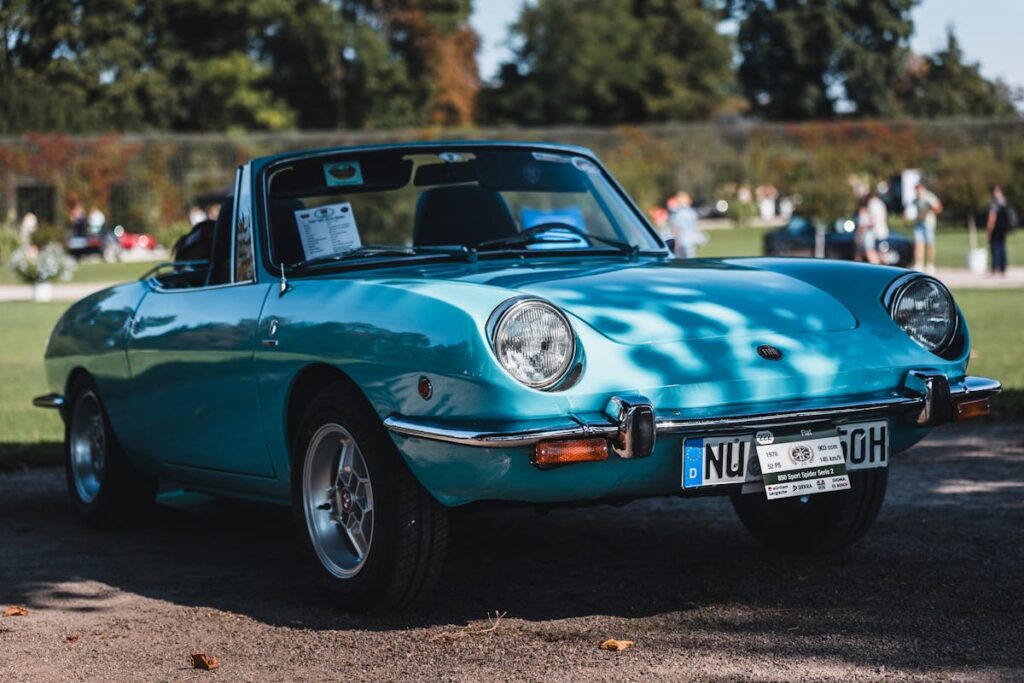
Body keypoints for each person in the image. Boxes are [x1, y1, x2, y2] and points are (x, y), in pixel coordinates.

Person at [911, 182, 942, 274]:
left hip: (929, 223)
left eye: (919, 188)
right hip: (919, 223)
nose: (917, 190)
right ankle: (919, 264)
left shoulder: (929, 197)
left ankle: (930, 264)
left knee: (929, 244)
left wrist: (928, 210)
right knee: (918, 244)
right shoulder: (916, 199)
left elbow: (938, 208)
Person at [986, 184, 1011, 276]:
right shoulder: (1004, 201)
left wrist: (989, 231)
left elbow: (992, 217)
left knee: (995, 248)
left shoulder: (995, 203)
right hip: (1003, 229)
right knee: (1002, 247)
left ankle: (995, 268)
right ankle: (1003, 268)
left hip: (996, 229)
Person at [668, 192, 703, 258]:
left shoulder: (678, 214)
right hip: (691, 241)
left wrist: (676, 244)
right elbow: (695, 227)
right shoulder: (692, 213)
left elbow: (677, 229)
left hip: (682, 241)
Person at [864, 191, 889, 265]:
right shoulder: (881, 203)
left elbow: (872, 220)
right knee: (881, 253)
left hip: (875, 232)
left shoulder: (871, 203)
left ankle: (877, 269)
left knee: (872, 252)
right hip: (883, 231)